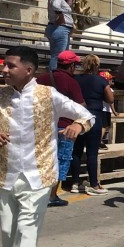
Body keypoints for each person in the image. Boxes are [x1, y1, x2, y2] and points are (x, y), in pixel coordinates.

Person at [0, 47, 93, 247]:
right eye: (3, 65)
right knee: (7, 233)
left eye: (10, 66)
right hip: (7, 173)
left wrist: (78, 125)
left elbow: (87, 114)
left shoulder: (48, 95)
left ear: (28, 70)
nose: (4, 70)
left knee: (26, 231)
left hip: (39, 174)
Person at [35, 50, 86, 207]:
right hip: (65, 127)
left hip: (42, 127)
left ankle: (38, 193)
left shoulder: (42, 78)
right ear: (71, 66)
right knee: (60, 160)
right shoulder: (71, 82)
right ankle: (51, 196)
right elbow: (81, 106)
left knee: (41, 160)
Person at [70, 54, 115, 195]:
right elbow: (110, 99)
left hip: (78, 115)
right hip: (94, 116)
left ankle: (75, 183)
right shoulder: (101, 80)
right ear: (97, 66)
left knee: (76, 151)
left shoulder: (76, 79)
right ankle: (94, 184)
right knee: (92, 152)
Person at [45, 0, 74, 72]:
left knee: (61, 55)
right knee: (58, 55)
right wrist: (61, 16)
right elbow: (55, 6)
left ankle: (56, 75)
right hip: (60, 28)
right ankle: (53, 76)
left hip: (61, 29)